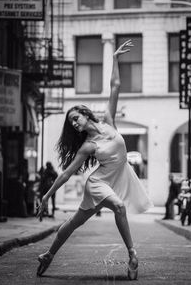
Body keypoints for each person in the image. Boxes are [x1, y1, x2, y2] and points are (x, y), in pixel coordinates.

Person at [36, 39, 152, 280]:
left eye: (76, 118)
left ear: (86, 113)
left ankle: (48, 254)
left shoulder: (108, 120)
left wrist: (115, 59)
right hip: (98, 184)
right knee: (119, 206)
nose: (75, 123)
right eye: (71, 123)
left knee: (73, 222)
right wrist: (47, 196)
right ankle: (132, 254)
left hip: (117, 177)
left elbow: (115, 86)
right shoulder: (88, 145)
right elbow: (67, 173)